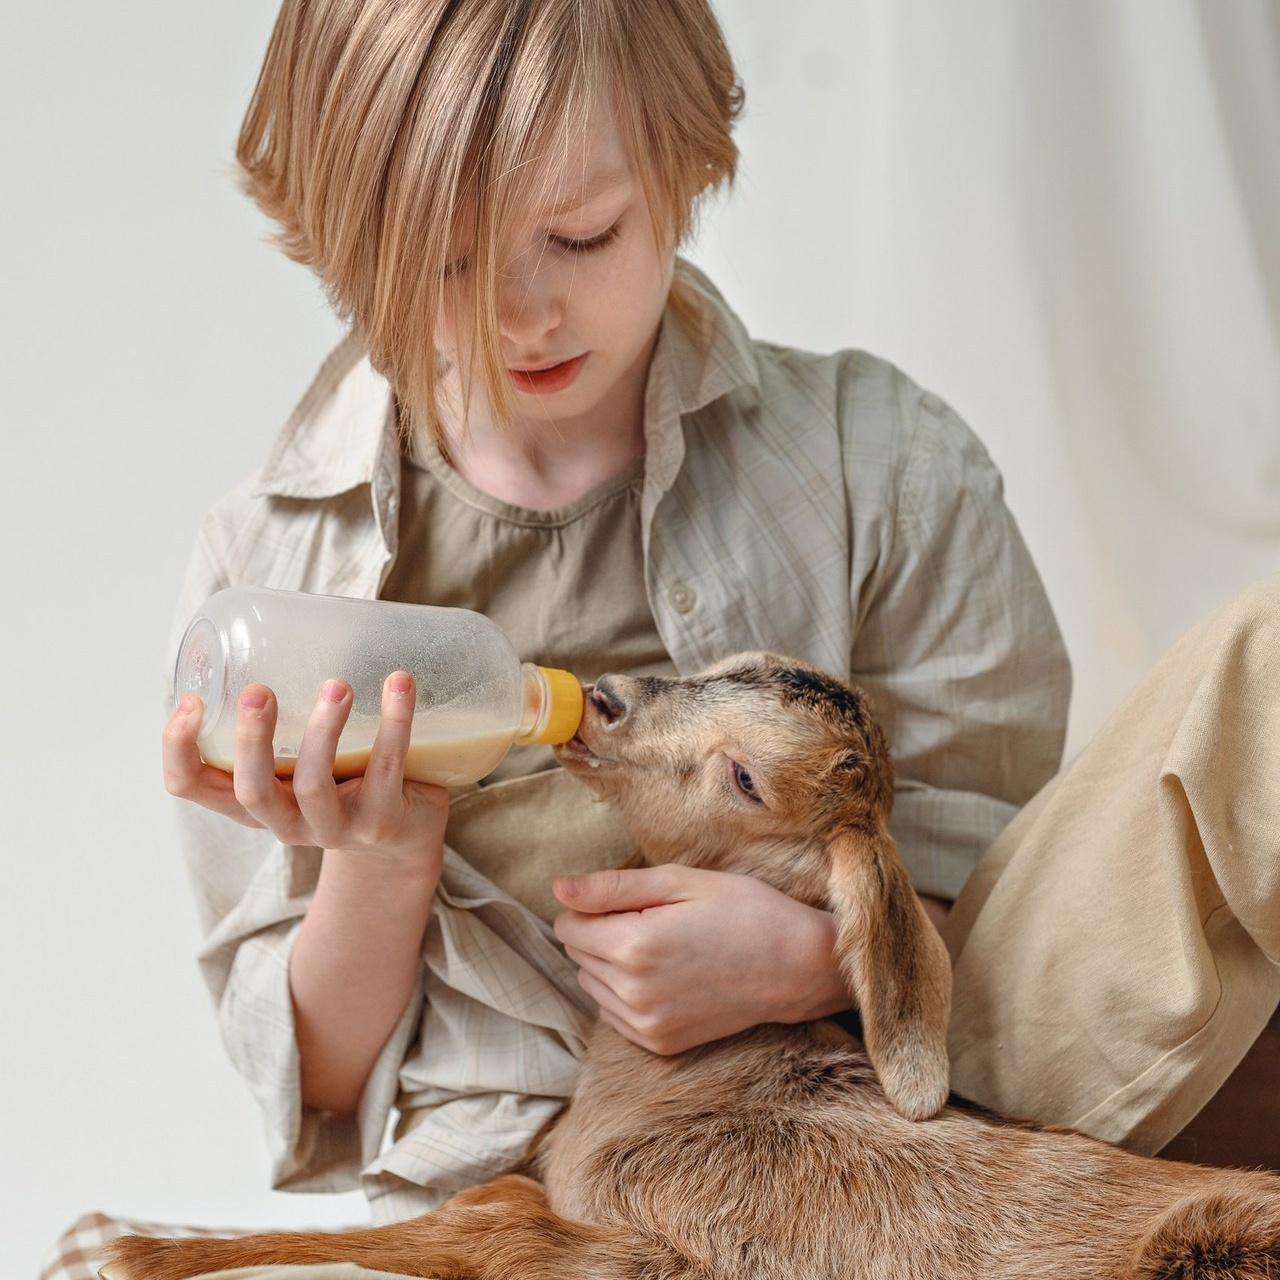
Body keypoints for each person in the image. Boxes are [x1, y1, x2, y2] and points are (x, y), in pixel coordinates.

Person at [40, 0, 1279, 1277]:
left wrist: (811, 963)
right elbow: (329, 1098)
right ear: (345, 241)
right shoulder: (275, 567)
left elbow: (1020, 886)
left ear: (683, 169)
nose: (526, 315)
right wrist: (379, 855)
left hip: (934, 1096)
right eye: (450, 264)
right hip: (556, 1196)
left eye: (581, 235)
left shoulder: (886, 464)